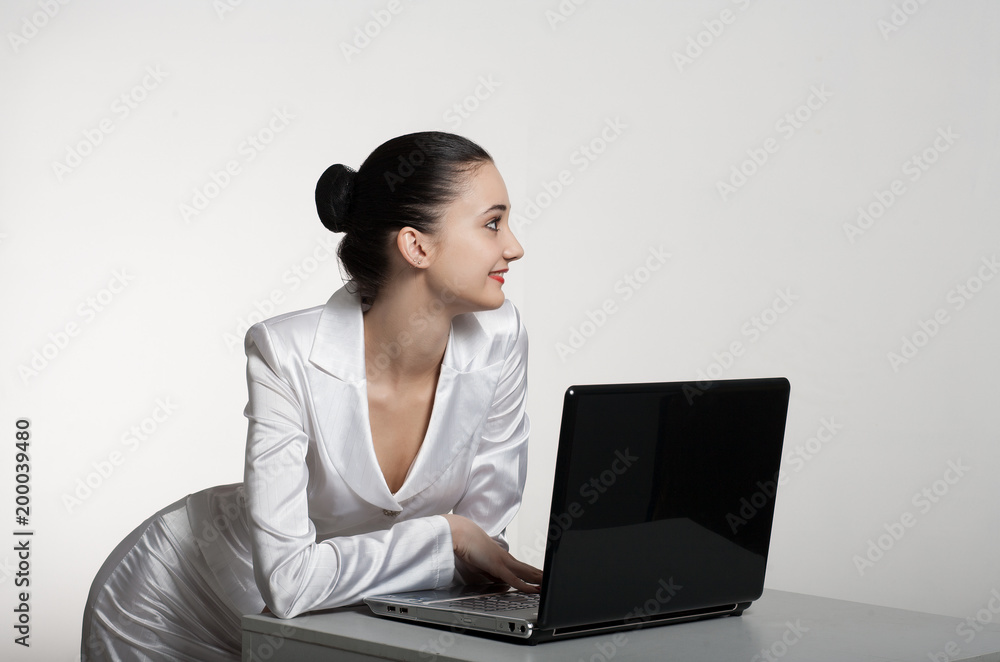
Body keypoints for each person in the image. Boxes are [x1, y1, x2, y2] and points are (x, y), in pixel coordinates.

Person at [81, 131, 541, 661]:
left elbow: (478, 549)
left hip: (340, 618)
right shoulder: (284, 353)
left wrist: (457, 542)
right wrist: (446, 536)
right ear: (416, 245)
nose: (514, 246)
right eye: (492, 223)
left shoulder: (501, 341)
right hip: (178, 603)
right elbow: (290, 582)